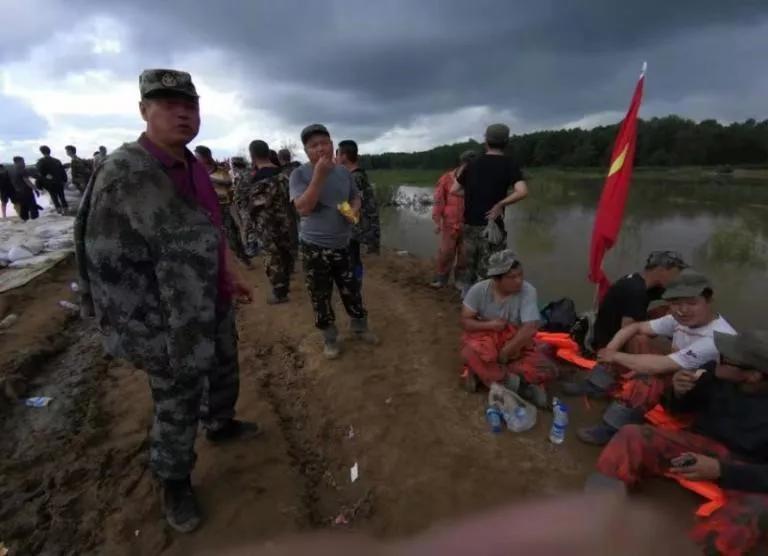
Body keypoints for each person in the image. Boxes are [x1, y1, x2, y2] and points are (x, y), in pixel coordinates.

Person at [75, 69, 258, 533]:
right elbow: (104, 265)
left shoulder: (193, 165)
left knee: (223, 368)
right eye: (167, 103)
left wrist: (226, 274)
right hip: (166, 321)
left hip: (206, 302)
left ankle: (220, 423)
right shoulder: (126, 172)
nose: (182, 113)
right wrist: (148, 333)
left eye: (190, 105)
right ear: (143, 111)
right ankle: (174, 479)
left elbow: (206, 233)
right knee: (176, 403)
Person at [589, 330, 768, 555]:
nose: (719, 356)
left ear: (753, 376)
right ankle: (596, 514)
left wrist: (721, 470)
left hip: (746, 466)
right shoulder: (717, 375)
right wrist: (678, 392)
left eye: (727, 357)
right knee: (632, 435)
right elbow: (679, 409)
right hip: (699, 443)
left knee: (755, 512)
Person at [575, 269, 737, 446]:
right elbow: (635, 327)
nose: (683, 310)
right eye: (676, 303)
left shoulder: (717, 337)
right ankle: (596, 385)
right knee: (636, 340)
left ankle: (612, 427)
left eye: (692, 303)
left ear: (709, 300)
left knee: (647, 378)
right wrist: (611, 349)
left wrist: (615, 356)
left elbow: (661, 365)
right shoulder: (680, 319)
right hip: (679, 375)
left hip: (699, 397)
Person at [289, 123, 378, 359]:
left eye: (324, 143)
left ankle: (360, 327)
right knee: (320, 295)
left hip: (343, 244)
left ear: (332, 144)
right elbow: (303, 208)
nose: (320, 148)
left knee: (352, 290)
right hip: (314, 247)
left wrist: (354, 211)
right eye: (313, 145)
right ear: (306, 151)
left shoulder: (343, 173)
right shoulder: (299, 174)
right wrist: (319, 175)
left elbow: (354, 197)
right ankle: (330, 338)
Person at [460, 249, 557, 407]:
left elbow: (530, 327)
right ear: (496, 280)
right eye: (512, 277)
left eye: (520, 274)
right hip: (488, 339)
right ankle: (516, 385)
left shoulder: (528, 291)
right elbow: (466, 322)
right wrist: (490, 325)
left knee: (549, 369)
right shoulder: (479, 290)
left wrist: (507, 351)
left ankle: (482, 374)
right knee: (470, 351)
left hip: (516, 342)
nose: (519, 280)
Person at [452, 123, 528, 293]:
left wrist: (474, 194)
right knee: (492, 269)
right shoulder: (509, 164)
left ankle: (467, 298)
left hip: (470, 225)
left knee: (468, 265)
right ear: (506, 142)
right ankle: (484, 303)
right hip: (492, 226)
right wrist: (500, 203)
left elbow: (454, 190)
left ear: (486, 140)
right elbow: (522, 191)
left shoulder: (472, 164)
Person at [234, 139, 294, 304]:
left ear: (252, 156)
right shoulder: (285, 174)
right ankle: (286, 281)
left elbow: (249, 205)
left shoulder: (254, 179)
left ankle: (279, 292)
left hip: (265, 224)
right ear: (268, 153)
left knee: (272, 255)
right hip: (286, 220)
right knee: (285, 250)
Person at [592, 250, 688, 351]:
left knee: (665, 310)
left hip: (611, 328)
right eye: (675, 273)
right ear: (661, 270)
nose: (676, 278)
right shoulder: (636, 291)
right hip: (610, 341)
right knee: (640, 339)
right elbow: (627, 329)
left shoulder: (637, 279)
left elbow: (673, 296)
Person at [194, 145, 251, 267]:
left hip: (223, 207)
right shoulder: (196, 173)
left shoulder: (221, 172)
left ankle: (242, 258)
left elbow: (229, 188)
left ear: (205, 157)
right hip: (205, 210)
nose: (196, 158)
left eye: (198, 156)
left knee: (231, 235)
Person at [430, 150, 477, 289]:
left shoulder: (477, 178)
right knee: (446, 252)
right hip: (450, 223)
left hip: (469, 223)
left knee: (465, 255)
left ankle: (461, 282)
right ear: (463, 163)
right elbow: (438, 200)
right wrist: (437, 221)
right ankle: (441, 278)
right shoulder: (446, 178)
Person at [336, 139, 380, 284]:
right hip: (357, 225)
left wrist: (338, 205)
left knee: (353, 258)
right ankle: (356, 280)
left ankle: (356, 281)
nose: (335, 157)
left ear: (344, 156)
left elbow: (353, 207)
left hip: (356, 227)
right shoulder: (357, 175)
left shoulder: (354, 177)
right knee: (354, 258)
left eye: (338, 153)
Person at [36, 145, 69, 214]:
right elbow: (62, 171)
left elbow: (40, 173)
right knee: (62, 196)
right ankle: (65, 209)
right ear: (49, 151)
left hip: (49, 183)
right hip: (59, 181)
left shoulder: (41, 161)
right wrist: (64, 180)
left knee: (54, 197)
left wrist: (42, 182)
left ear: (42, 152)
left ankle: (59, 210)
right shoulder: (57, 161)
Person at [8, 156, 40, 221]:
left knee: (23, 208)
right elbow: (27, 181)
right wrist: (35, 189)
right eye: (23, 162)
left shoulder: (10, 170)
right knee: (32, 207)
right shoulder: (21, 170)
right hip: (26, 191)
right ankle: (35, 222)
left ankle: (25, 222)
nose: (24, 163)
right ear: (18, 162)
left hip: (17, 192)